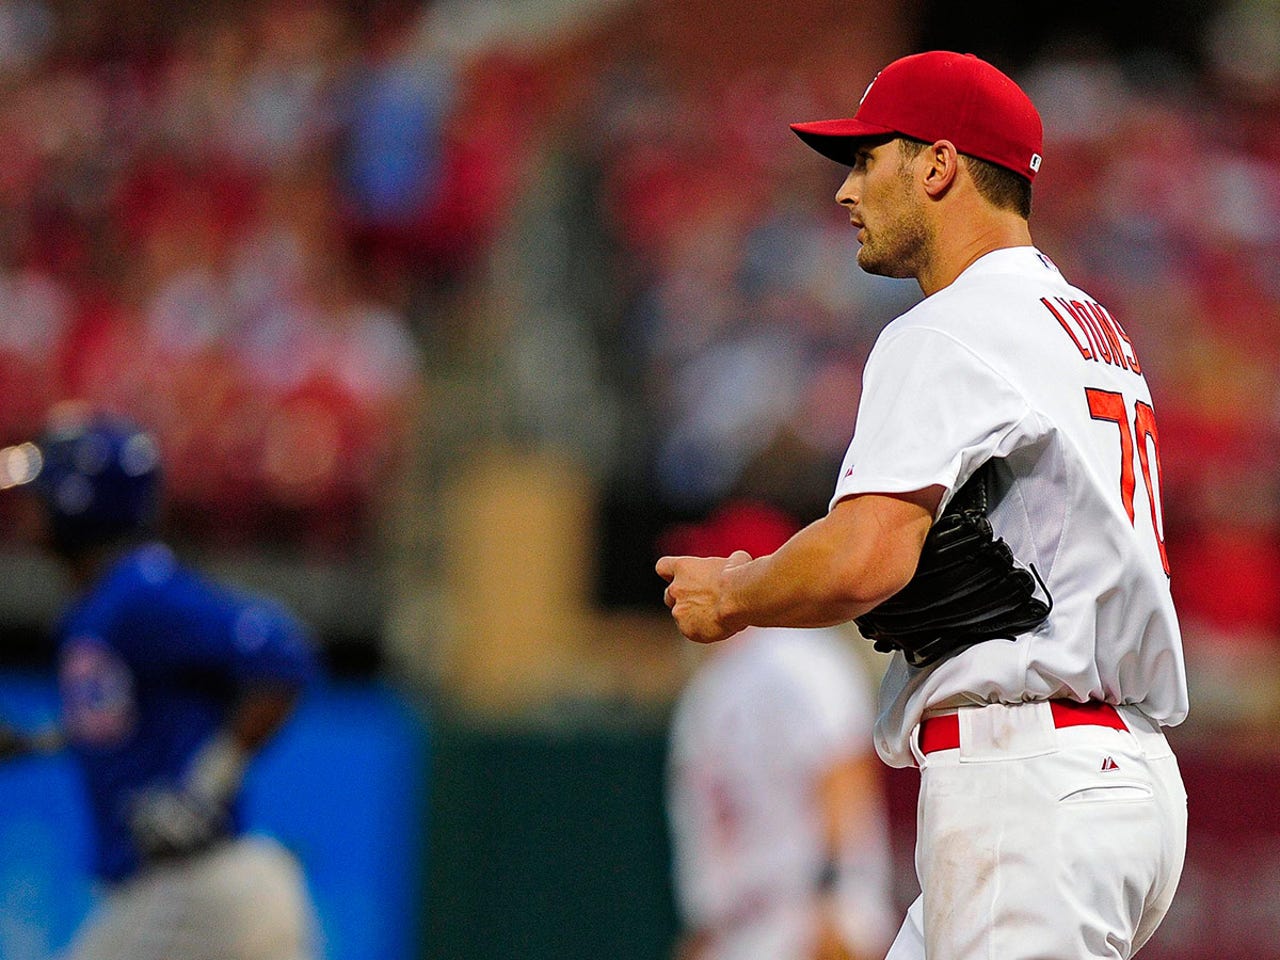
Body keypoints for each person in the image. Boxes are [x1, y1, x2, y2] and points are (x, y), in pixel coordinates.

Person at [656, 51, 1188, 960]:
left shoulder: (951, 326)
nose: (846, 191)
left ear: (937, 166)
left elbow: (869, 555)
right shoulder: (1091, 324)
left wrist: (737, 595)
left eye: (869, 159)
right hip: (1116, 771)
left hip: (1030, 775)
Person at [0, 407, 322, 960]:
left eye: (43, 491)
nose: (26, 508)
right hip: (201, 895)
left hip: (199, 893)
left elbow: (283, 656)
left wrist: (206, 782)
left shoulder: (138, 591)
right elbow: (130, 718)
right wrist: (38, 741)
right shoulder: (108, 601)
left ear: (83, 499)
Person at [664, 500, 896, 960]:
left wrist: (833, 902)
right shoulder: (713, 684)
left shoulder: (799, 656)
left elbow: (842, 770)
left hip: (801, 918)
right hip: (743, 927)